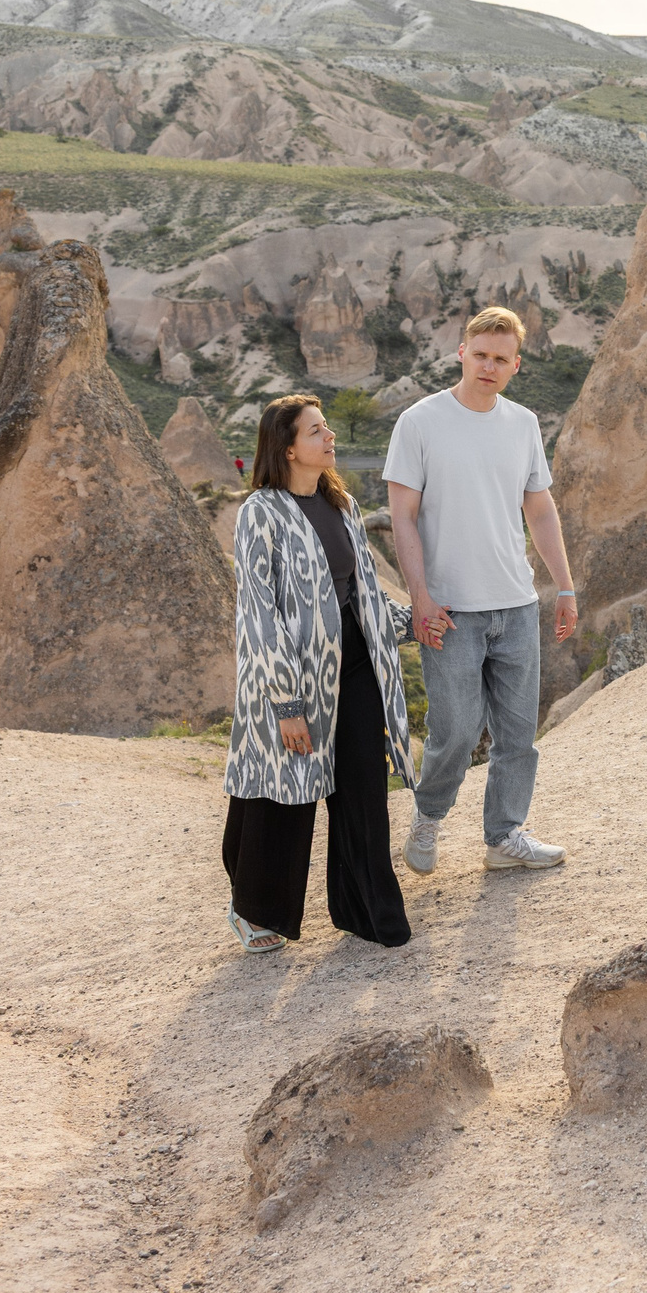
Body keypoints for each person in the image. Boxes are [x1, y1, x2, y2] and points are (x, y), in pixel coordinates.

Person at [384, 306, 579, 876]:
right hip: (450, 609)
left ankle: (505, 835)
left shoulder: (522, 424)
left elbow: (539, 508)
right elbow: (402, 516)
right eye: (481, 354)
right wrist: (419, 596)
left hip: (516, 603)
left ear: (516, 365)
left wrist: (562, 586)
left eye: (501, 358)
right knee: (455, 730)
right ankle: (429, 815)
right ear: (461, 353)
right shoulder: (420, 422)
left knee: (519, 733)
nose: (489, 366)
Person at [221, 393, 417, 952]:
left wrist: (411, 623)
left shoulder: (342, 505)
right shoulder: (260, 511)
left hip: (354, 668)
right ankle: (254, 912)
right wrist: (286, 703)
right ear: (286, 448)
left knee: (362, 789)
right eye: (316, 431)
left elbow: (362, 595)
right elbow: (258, 611)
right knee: (284, 795)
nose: (329, 438)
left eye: (327, 428)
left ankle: (367, 911)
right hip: (292, 677)